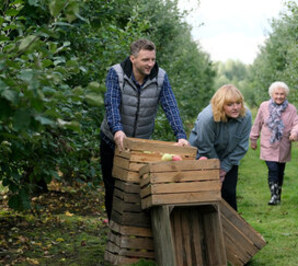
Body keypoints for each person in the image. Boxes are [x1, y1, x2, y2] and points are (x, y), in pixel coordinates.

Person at [99, 39, 189, 220]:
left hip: (140, 142)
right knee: (113, 185)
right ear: (133, 58)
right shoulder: (116, 73)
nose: (150, 64)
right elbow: (112, 105)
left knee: (136, 185)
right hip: (112, 139)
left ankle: (133, 226)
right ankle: (114, 225)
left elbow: (170, 106)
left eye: (153, 60)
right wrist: (117, 130)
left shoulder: (160, 77)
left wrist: (180, 135)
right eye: (145, 60)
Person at [189, 84, 252, 211]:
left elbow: (242, 146)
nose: (235, 108)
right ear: (221, 105)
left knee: (229, 192)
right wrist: (216, 167)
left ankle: (232, 226)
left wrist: (224, 168)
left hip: (229, 157)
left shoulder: (246, 116)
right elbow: (205, 145)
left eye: (238, 103)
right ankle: (206, 224)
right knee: (206, 194)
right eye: (230, 104)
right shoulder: (207, 118)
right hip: (203, 155)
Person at [249, 81, 298, 205]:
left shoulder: (291, 109)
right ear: (272, 94)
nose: (279, 96)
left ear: (286, 95)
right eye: (276, 93)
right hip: (268, 144)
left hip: (283, 145)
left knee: (280, 171)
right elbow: (257, 123)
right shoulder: (264, 106)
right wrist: (253, 139)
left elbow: (297, 123)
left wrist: (294, 133)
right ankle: (273, 195)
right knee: (272, 169)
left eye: (282, 94)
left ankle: (278, 195)